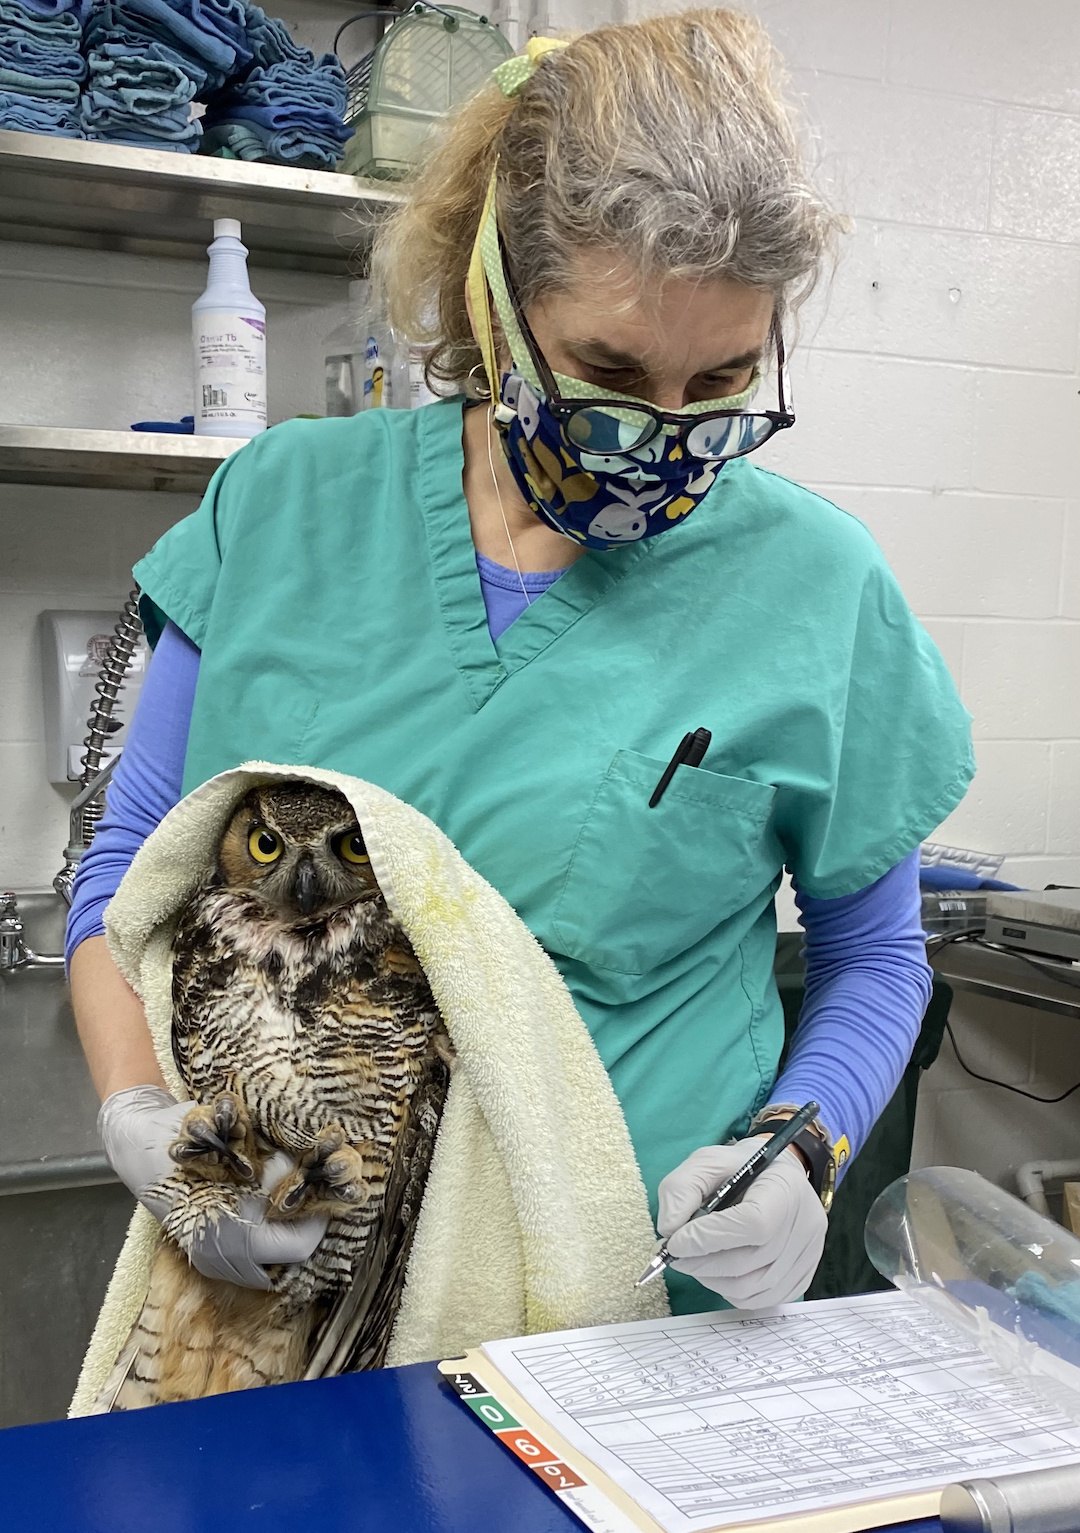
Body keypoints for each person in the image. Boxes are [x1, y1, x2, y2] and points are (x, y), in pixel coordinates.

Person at [68, 10, 972, 1317]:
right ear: (495, 295)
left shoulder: (818, 588)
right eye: (609, 370)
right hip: (287, 1280)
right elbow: (132, 868)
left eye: (719, 383)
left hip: (623, 1321)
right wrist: (139, 1110)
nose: (661, 438)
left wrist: (806, 1148)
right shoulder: (283, 509)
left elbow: (877, 958)